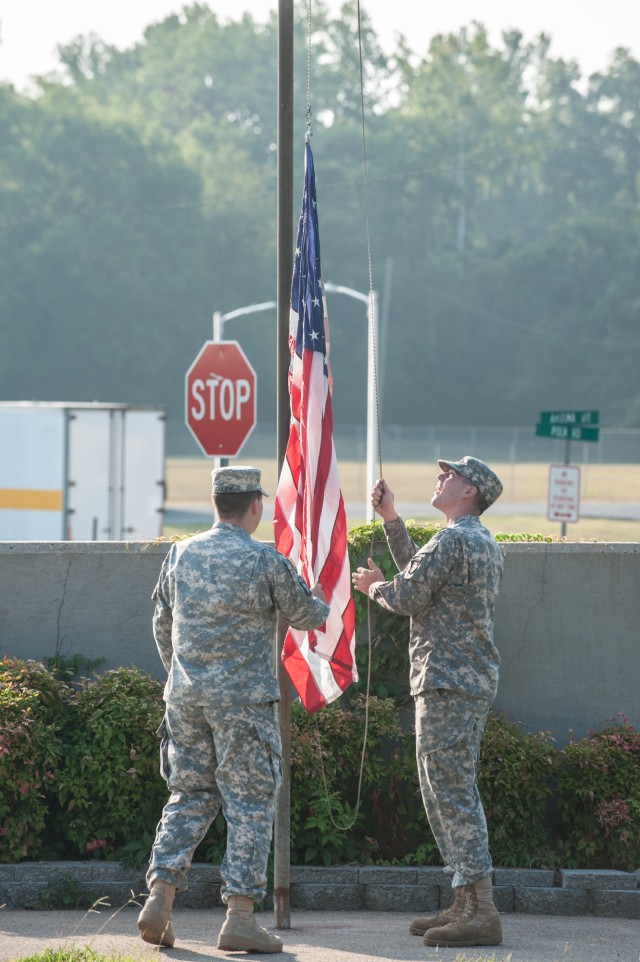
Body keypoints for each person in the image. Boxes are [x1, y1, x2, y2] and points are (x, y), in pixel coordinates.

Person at [137, 465, 330, 953]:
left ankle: (159, 897)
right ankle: (240, 917)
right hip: (244, 704)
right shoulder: (264, 560)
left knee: (189, 795)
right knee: (249, 803)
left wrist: (186, 676)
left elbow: (162, 624)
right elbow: (307, 615)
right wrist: (324, 598)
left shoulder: (181, 554)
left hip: (186, 698)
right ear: (255, 507)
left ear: (215, 503)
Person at [351, 456, 505, 949]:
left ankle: (481, 909)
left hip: (447, 681)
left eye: (451, 475)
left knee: (452, 793)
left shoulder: (457, 538)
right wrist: (392, 520)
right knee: (446, 790)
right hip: (457, 680)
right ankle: (466, 900)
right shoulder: (471, 539)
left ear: (470, 492)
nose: (442, 477)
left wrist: (374, 588)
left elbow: (408, 595)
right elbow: (424, 577)